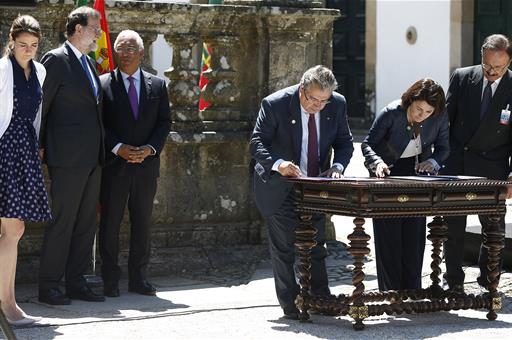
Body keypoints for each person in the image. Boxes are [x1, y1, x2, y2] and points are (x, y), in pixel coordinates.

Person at [249, 65, 354, 319]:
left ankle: (320, 298)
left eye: (323, 101)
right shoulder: (275, 104)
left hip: (315, 185)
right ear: (302, 90)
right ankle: (290, 302)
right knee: (285, 247)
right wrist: (279, 164)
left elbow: (344, 142)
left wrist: (337, 167)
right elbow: (257, 142)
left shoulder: (337, 104)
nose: (318, 105)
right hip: (279, 184)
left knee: (317, 245)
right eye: (313, 99)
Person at [38, 6, 105, 305]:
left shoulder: (90, 64)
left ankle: (76, 281)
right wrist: (38, 146)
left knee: (86, 223)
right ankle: (50, 285)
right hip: (66, 157)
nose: (99, 33)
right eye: (95, 27)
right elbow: (42, 107)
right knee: (63, 221)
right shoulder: (56, 59)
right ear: (78, 29)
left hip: (93, 158)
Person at [98, 30, 171, 297]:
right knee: (110, 224)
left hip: (145, 167)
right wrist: (118, 149)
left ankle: (139, 278)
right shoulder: (103, 83)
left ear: (142, 53)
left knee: (142, 223)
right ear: (114, 52)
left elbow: (165, 122)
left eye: (131, 48)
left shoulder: (158, 85)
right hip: (114, 167)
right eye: (120, 48)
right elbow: (98, 125)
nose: (125, 53)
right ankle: (109, 279)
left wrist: (150, 149)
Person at [361, 78, 449, 292]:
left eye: (428, 112)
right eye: (419, 109)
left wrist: (433, 162)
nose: (422, 115)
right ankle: (390, 293)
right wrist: (377, 163)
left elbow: (444, 148)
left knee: (414, 236)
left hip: (417, 176)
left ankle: (413, 291)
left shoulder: (438, 116)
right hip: (387, 174)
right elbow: (368, 144)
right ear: (410, 100)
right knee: (389, 237)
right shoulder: (391, 112)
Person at [442, 34, 512, 293]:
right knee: (453, 228)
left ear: (508, 62)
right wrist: (437, 160)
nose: (492, 72)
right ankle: (453, 281)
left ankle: (488, 279)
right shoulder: (462, 77)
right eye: (487, 66)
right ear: (481, 56)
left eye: (498, 68)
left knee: (492, 229)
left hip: (492, 167)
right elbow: (446, 122)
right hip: (457, 164)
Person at [0, 14, 49, 327]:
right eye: (22, 45)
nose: (28, 50)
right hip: (4, 147)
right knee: (11, 230)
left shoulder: (40, 70)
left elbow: (36, 114)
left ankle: (9, 303)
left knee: (13, 231)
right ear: (11, 42)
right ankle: (7, 305)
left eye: (33, 45)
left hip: (25, 149)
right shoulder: (2, 70)